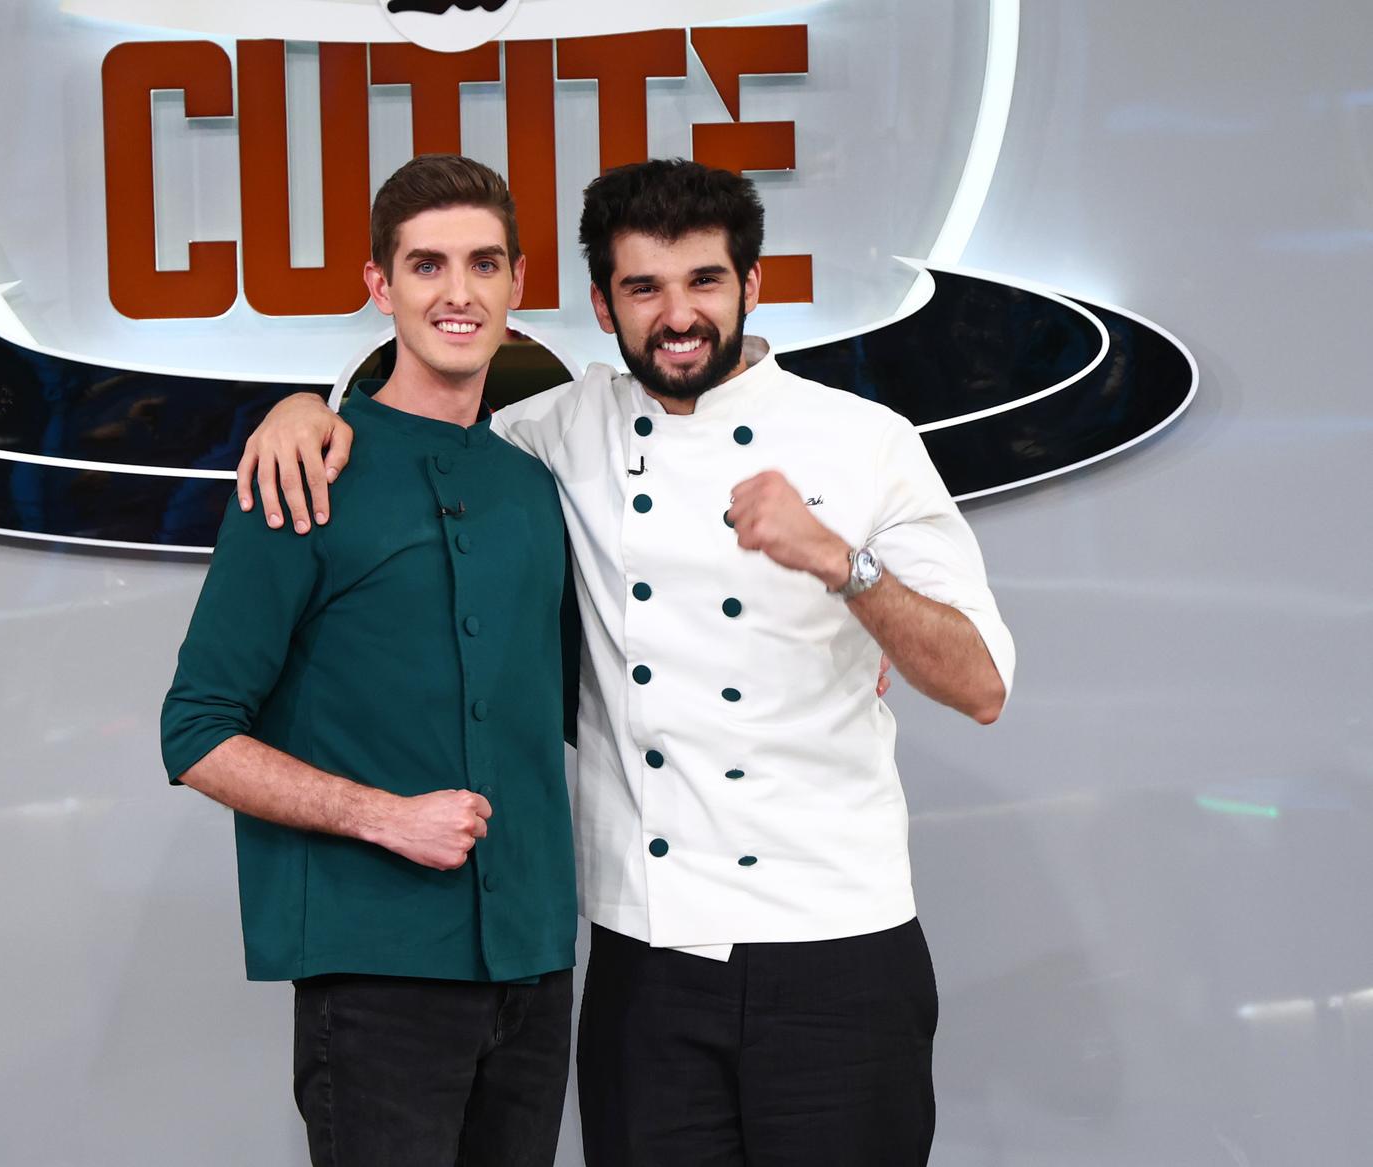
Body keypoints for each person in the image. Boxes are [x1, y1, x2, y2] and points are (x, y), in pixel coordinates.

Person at [237, 158, 1015, 1166]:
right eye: (644, 288)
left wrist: (842, 564)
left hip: (840, 946)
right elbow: (412, 424)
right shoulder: (553, 433)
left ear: (752, 284)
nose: (677, 316)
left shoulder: (866, 442)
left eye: (704, 281)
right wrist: (305, 408)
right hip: (647, 962)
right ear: (602, 307)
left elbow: (979, 683)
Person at [161, 154, 578, 1167]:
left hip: (534, 966)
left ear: (518, 282)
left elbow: (603, 689)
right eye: (427, 265)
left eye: (483, 264)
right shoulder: (305, 471)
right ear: (379, 286)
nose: (458, 292)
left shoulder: (536, 484)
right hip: (376, 975)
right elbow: (196, 732)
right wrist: (382, 816)